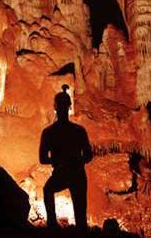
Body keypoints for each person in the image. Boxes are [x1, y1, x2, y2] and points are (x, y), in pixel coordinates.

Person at [39, 84, 93, 231]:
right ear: (70, 107)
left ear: (55, 107)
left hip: (64, 173)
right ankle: (57, 225)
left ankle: (52, 224)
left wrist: (58, 161)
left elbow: (43, 159)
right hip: (76, 174)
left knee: (48, 190)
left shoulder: (49, 132)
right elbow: (88, 155)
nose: (63, 109)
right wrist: (76, 161)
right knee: (80, 216)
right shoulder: (78, 131)